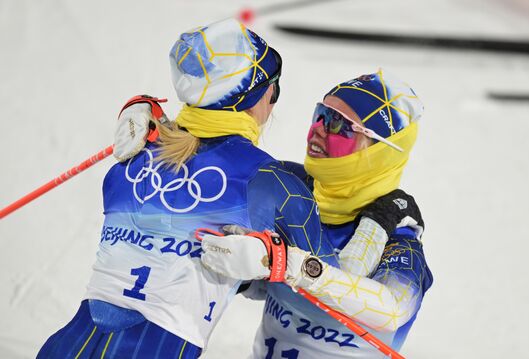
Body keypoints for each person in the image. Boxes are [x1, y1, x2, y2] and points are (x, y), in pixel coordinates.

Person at [37, 18, 337, 359]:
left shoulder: (129, 163)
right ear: (255, 97)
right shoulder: (274, 184)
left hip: (66, 346)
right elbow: (325, 303)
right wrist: (375, 222)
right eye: (274, 88)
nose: (275, 100)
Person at [200, 70, 433, 358]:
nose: (318, 129)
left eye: (339, 124)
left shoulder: (398, 233)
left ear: (380, 151)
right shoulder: (296, 195)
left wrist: (289, 265)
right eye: (319, 114)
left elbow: (392, 309)